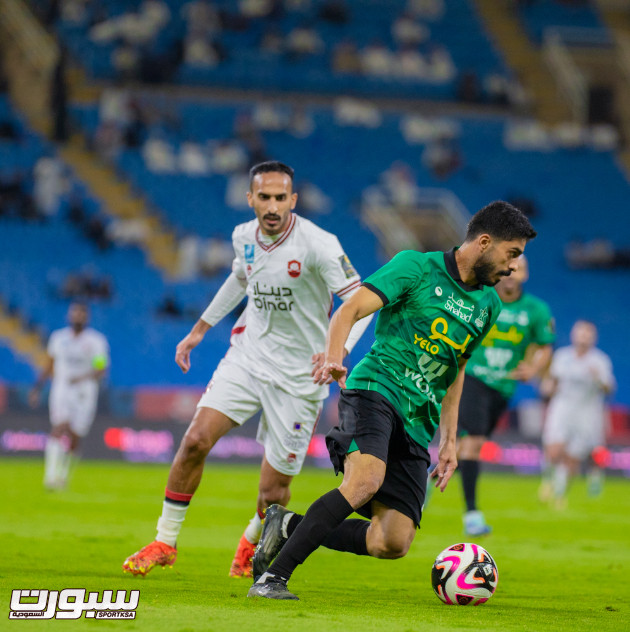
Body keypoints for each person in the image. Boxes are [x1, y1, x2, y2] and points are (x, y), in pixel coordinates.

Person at [248, 200, 537, 600]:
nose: (513, 267)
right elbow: (349, 310)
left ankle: (287, 527)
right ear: (485, 242)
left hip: (419, 419)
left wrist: (449, 440)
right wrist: (334, 356)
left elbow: (456, 370)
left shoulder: (489, 306)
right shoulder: (415, 267)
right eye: (512, 254)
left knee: (392, 541)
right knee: (364, 481)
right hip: (377, 388)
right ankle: (272, 578)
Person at [122, 161, 371, 578]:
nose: (272, 206)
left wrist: (337, 351)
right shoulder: (243, 237)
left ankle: (252, 537)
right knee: (195, 440)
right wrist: (199, 329)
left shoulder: (318, 244)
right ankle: (165, 541)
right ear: (250, 198)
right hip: (248, 358)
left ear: (292, 200)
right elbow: (241, 278)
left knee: (273, 491)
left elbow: (360, 302)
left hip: (299, 379)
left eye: (280, 198)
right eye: (264, 197)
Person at [456, 255, 555, 536]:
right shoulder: (480, 297)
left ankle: (430, 474)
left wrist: (533, 368)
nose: (512, 274)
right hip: (472, 377)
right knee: (473, 442)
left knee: (466, 448)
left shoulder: (536, 310)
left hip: (504, 387)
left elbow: (546, 345)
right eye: (508, 269)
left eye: (518, 269)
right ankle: (472, 514)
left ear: (526, 274)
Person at [29, 302, 109, 490]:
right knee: (59, 427)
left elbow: (101, 369)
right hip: (62, 390)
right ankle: (50, 476)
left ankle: (63, 474)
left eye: (81, 314)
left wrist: (82, 377)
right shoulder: (58, 338)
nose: (77, 317)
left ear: (86, 317)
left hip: (84, 392)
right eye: (74, 313)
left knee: (75, 435)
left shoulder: (96, 341)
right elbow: (50, 363)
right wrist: (37, 388)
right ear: (69, 316)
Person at [539, 320, 615, 508]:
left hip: (587, 413)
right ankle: (548, 479)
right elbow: (551, 382)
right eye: (580, 334)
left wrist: (599, 378)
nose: (583, 339)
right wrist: (547, 388)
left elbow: (609, 389)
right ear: (574, 335)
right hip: (562, 407)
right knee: (554, 450)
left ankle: (560, 494)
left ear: (593, 338)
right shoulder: (562, 356)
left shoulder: (600, 360)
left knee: (573, 456)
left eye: (587, 335)